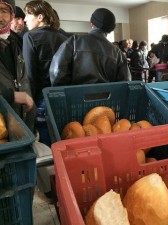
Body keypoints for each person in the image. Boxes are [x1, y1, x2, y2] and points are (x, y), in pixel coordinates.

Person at [23, 0, 67, 146]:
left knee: (46, 140)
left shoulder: (30, 37)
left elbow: (30, 74)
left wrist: (31, 100)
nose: (24, 19)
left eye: (28, 15)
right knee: (63, 134)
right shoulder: (66, 37)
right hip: (65, 95)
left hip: (43, 96)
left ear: (40, 17)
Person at [50, 8, 131, 86]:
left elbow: (57, 72)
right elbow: (125, 82)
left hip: (76, 97)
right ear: (110, 29)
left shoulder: (74, 41)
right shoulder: (117, 53)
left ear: (91, 23)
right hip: (107, 99)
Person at [0, 0, 36, 132]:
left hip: (18, 125)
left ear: (11, 15)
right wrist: (11, 96)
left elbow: (22, 80)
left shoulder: (14, 42)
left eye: (4, 11)